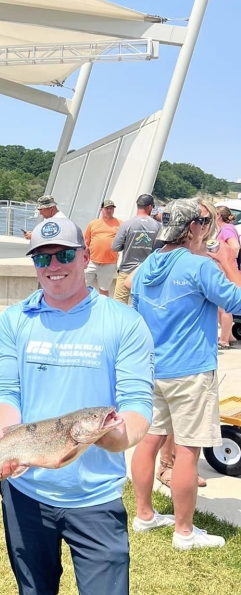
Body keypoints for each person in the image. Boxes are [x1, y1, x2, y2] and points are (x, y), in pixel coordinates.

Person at [0, 217, 154, 594]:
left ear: (84, 257)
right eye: (42, 259)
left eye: (63, 255)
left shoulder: (123, 322)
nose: (53, 267)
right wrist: (2, 433)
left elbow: (138, 403)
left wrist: (113, 437)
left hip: (96, 497)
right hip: (25, 491)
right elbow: (6, 391)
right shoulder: (13, 321)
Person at [131, 198, 241, 550]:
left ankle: (144, 514)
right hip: (191, 371)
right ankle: (184, 531)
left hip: (153, 369)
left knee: (148, 442)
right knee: (188, 450)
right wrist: (228, 263)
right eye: (203, 222)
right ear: (193, 227)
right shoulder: (199, 267)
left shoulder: (146, 267)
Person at [111, 194, 160, 305]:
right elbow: (159, 249)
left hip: (126, 271)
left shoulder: (127, 224)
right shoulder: (157, 226)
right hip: (146, 272)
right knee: (141, 304)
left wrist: (127, 245)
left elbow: (115, 247)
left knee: (119, 304)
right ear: (150, 207)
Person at [84, 199, 122, 296]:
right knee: (83, 287)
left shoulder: (120, 223)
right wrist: (85, 258)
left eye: (111, 209)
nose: (109, 211)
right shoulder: (93, 223)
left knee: (104, 290)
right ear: (102, 209)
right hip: (91, 261)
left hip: (109, 263)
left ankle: (104, 309)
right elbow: (86, 241)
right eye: (107, 208)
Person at [215, 205, 240, 349]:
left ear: (218, 216)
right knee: (220, 306)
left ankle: (224, 340)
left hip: (226, 272)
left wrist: (227, 261)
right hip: (223, 270)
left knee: (224, 307)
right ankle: (229, 336)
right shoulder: (224, 229)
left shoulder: (227, 229)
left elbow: (235, 246)